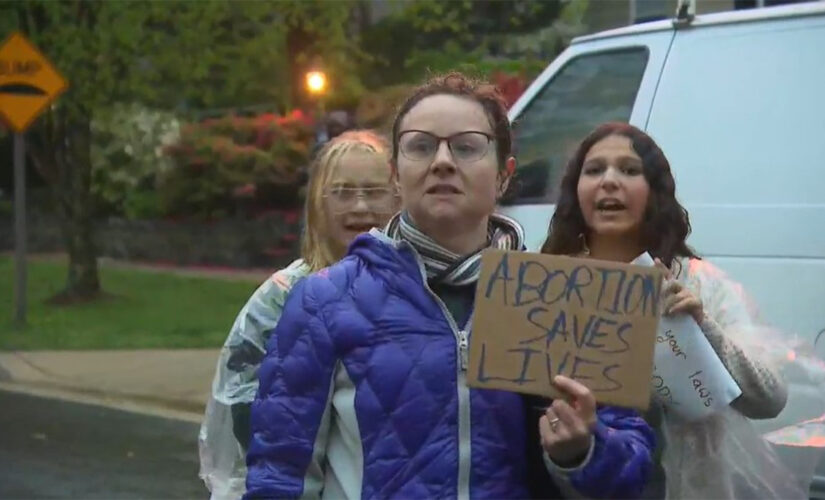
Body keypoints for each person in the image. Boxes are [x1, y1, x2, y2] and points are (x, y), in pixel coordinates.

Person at [245, 73, 655, 499]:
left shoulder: (565, 299)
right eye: (421, 146)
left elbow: (633, 468)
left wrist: (584, 451)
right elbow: (278, 473)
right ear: (396, 175)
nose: (442, 161)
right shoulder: (324, 300)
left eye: (466, 146)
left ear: (503, 175)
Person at [541, 121, 815, 498]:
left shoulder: (701, 283)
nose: (609, 180)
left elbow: (770, 398)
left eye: (629, 170)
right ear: (576, 190)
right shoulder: (548, 286)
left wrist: (703, 330)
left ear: (655, 191)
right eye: (594, 170)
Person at [198, 130, 400, 500]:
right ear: (318, 203)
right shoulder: (281, 297)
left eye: (373, 191)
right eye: (342, 192)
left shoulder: (420, 291)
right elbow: (240, 406)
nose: (359, 206)